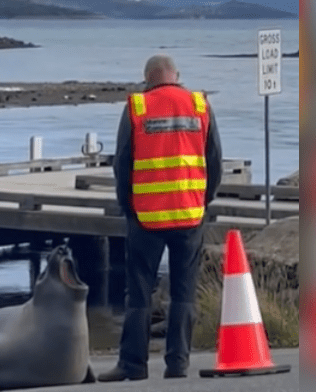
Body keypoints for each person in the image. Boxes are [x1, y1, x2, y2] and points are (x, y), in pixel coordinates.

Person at [98, 54, 222, 381]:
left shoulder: (137, 107)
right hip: (189, 214)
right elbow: (215, 161)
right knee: (184, 292)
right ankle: (177, 364)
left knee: (138, 292)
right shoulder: (199, 105)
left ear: (148, 78)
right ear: (177, 76)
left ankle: (132, 365)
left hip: (146, 216)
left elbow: (122, 163)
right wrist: (203, 200)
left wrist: (127, 206)